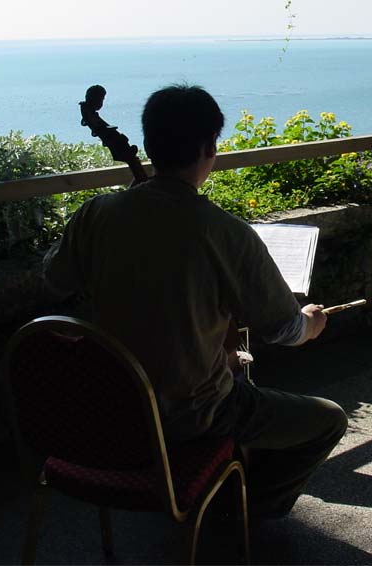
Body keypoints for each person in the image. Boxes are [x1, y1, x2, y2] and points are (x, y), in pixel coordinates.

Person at [43, 83, 347, 520]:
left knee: (232, 372)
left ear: (148, 144)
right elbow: (283, 330)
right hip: (189, 419)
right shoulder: (225, 232)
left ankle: (214, 488)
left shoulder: (96, 214)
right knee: (328, 419)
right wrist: (311, 321)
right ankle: (243, 511)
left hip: (105, 410)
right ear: (210, 147)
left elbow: (53, 280)